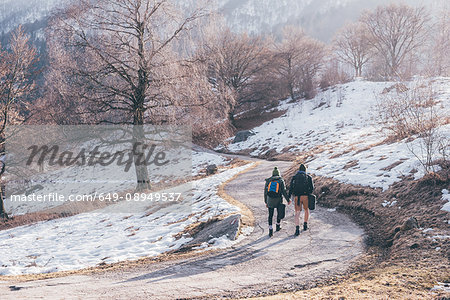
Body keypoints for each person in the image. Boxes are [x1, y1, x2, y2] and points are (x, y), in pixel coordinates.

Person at [288, 163, 314, 236]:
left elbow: (290, 188)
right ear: (305, 170)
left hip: (297, 197)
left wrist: (289, 197)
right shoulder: (308, 177)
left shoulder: (294, 177)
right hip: (305, 196)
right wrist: (308, 193)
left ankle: (297, 229)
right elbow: (312, 188)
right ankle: (305, 225)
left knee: (297, 213)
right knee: (306, 210)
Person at [264, 167, 290, 237]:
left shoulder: (268, 181)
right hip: (278, 199)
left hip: (270, 200)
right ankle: (278, 226)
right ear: (278, 174)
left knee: (270, 215)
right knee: (279, 213)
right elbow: (284, 191)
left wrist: (266, 201)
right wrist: (288, 200)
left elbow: (265, 192)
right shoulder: (281, 180)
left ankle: (270, 230)